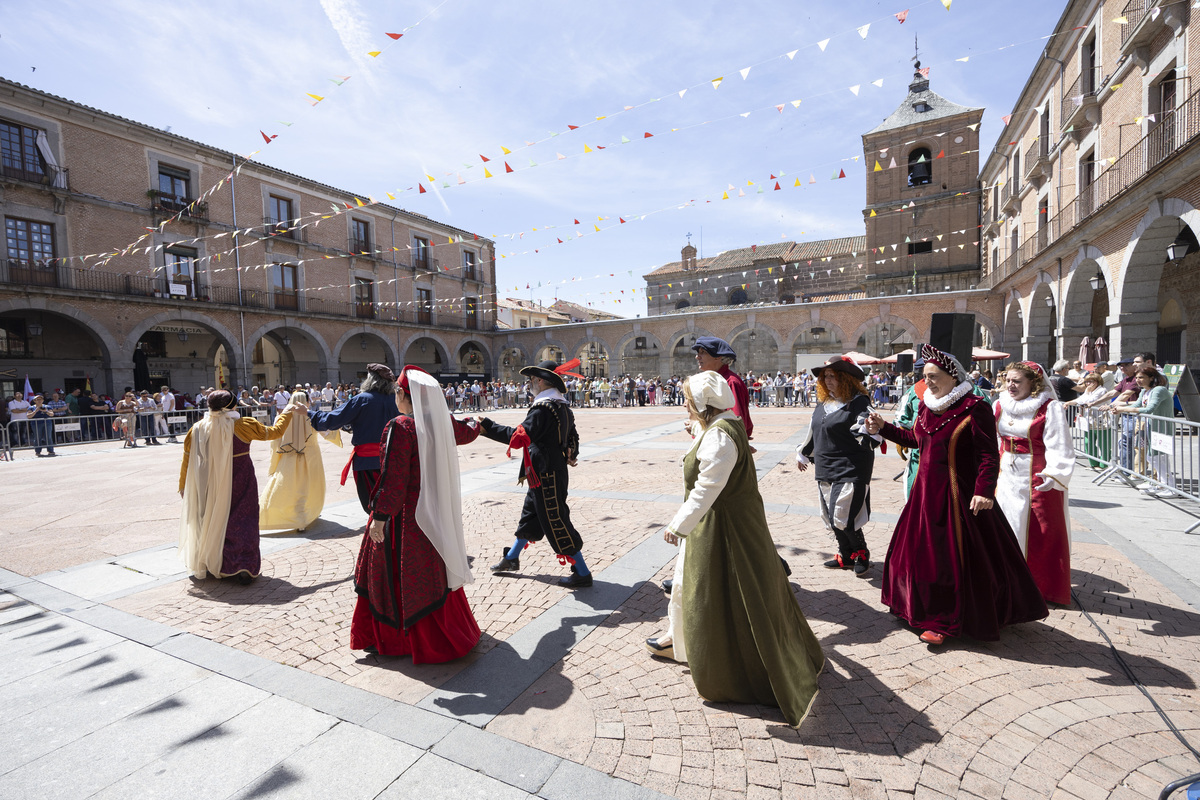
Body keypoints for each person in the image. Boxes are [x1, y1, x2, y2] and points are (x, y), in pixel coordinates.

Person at [650, 371, 824, 728]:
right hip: (725, 522)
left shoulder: (719, 438)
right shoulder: (726, 425)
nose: (684, 404)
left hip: (723, 527)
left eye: (688, 399)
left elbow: (707, 487)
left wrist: (677, 525)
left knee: (719, 593)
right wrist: (696, 433)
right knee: (690, 584)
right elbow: (714, 450)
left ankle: (729, 670)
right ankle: (680, 643)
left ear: (703, 405)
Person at [865, 344, 1048, 646]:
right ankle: (915, 607)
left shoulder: (975, 407)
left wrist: (984, 491)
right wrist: (883, 427)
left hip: (956, 496)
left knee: (948, 561)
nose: (929, 382)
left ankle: (943, 621)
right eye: (925, 376)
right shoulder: (926, 405)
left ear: (952, 376)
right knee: (914, 555)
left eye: (934, 376)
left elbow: (989, 455)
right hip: (924, 494)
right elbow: (915, 439)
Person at [354, 366, 483, 661]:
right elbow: (467, 432)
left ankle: (399, 639)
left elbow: (394, 480)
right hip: (434, 515)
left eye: (398, 393)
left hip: (405, 519)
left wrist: (380, 516)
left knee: (394, 575)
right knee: (432, 574)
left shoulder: (401, 427)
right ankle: (442, 633)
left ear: (402, 395)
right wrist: (478, 423)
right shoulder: (441, 424)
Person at [480, 359, 593, 588]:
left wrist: (487, 427)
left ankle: (582, 572)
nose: (530, 384)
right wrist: (571, 453)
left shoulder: (543, 408)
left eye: (532, 380)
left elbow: (520, 436)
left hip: (545, 473)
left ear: (541, 381)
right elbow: (573, 437)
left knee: (556, 519)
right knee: (531, 515)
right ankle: (511, 558)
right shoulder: (561, 406)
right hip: (546, 472)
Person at [177, 390, 293, 584]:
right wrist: (287, 412)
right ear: (232, 406)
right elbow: (275, 432)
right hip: (240, 478)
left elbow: (187, 460)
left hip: (209, 481)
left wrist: (183, 485)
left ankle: (214, 562)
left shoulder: (197, 428)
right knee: (243, 519)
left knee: (212, 519)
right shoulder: (242, 425)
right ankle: (243, 565)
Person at [993, 362, 1074, 606]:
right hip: (1004, 471)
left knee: (1040, 530)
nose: (1010, 385)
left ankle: (1039, 586)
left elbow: (1060, 444)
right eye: (1008, 380)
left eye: (1017, 381)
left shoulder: (1049, 409)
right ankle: (1005, 578)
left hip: (1036, 475)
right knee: (1005, 522)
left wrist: (1054, 473)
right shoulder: (999, 405)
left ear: (1033, 383)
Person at [796, 357, 880, 575]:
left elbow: (868, 429)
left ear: (846, 379)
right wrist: (804, 454)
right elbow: (815, 430)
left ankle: (861, 552)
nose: (828, 380)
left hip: (851, 467)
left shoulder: (859, 402)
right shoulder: (824, 403)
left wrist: (870, 430)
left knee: (843, 515)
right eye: (826, 376)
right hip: (825, 467)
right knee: (831, 516)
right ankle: (846, 555)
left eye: (833, 376)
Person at [308, 364, 400, 513]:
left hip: (367, 462)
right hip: (394, 460)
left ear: (370, 380)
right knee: (392, 504)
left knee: (372, 505)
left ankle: (379, 534)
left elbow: (332, 420)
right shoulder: (397, 400)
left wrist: (309, 414)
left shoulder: (362, 399)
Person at [260, 391, 331, 532]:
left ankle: (281, 516)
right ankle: (303, 517)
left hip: (288, 456)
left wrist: (277, 455)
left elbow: (275, 438)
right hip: (310, 456)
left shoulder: (282, 417)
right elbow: (327, 432)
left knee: (288, 486)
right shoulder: (311, 416)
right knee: (307, 486)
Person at [1113, 366, 1176, 497]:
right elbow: (1137, 405)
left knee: (1160, 458)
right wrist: (1119, 407)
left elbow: (1149, 409)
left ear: (1151, 378)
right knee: (1152, 457)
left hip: (1162, 429)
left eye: (1141, 377)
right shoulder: (1145, 391)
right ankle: (1161, 484)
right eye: (1137, 378)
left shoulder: (1159, 390)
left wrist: (1123, 409)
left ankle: (1170, 487)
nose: (1138, 380)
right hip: (1151, 428)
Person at [691, 337, 753, 440]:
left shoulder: (730, 382)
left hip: (720, 444)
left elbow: (735, 422)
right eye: (698, 353)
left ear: (717, 357)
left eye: (703, 352)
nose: (697, 357)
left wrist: (739, 443)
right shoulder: (713, 380)